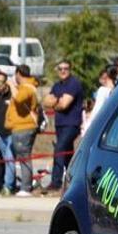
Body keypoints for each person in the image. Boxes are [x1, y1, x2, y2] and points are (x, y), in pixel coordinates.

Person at [42, 60, 84, 193]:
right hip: (60, 124)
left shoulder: (74, 84)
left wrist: (55, 101)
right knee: (67, 155)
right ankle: (73, 182)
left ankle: (56, 182)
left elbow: (64, 104)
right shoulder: (57, 85)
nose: (63, 71)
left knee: (59, 150)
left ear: (70, 69)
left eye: (66, 68)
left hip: (71, 124)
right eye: (60, 69)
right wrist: (56, 102)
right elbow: (45, 101)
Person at [6, 64, 39, 197]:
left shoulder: (27, 88)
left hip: (24, 127)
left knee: (24, 157)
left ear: (18, 74)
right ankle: (25, 185)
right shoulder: (24, 88)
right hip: (18, 127)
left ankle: (26, 187)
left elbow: (19, 99)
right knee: (21, 157)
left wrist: (11, 85)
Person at [83, 65, 118, 135]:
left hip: (97, 126)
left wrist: (88, 124)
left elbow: (97, 109)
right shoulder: (116, 90)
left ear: (106, 75)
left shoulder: (103, 90)